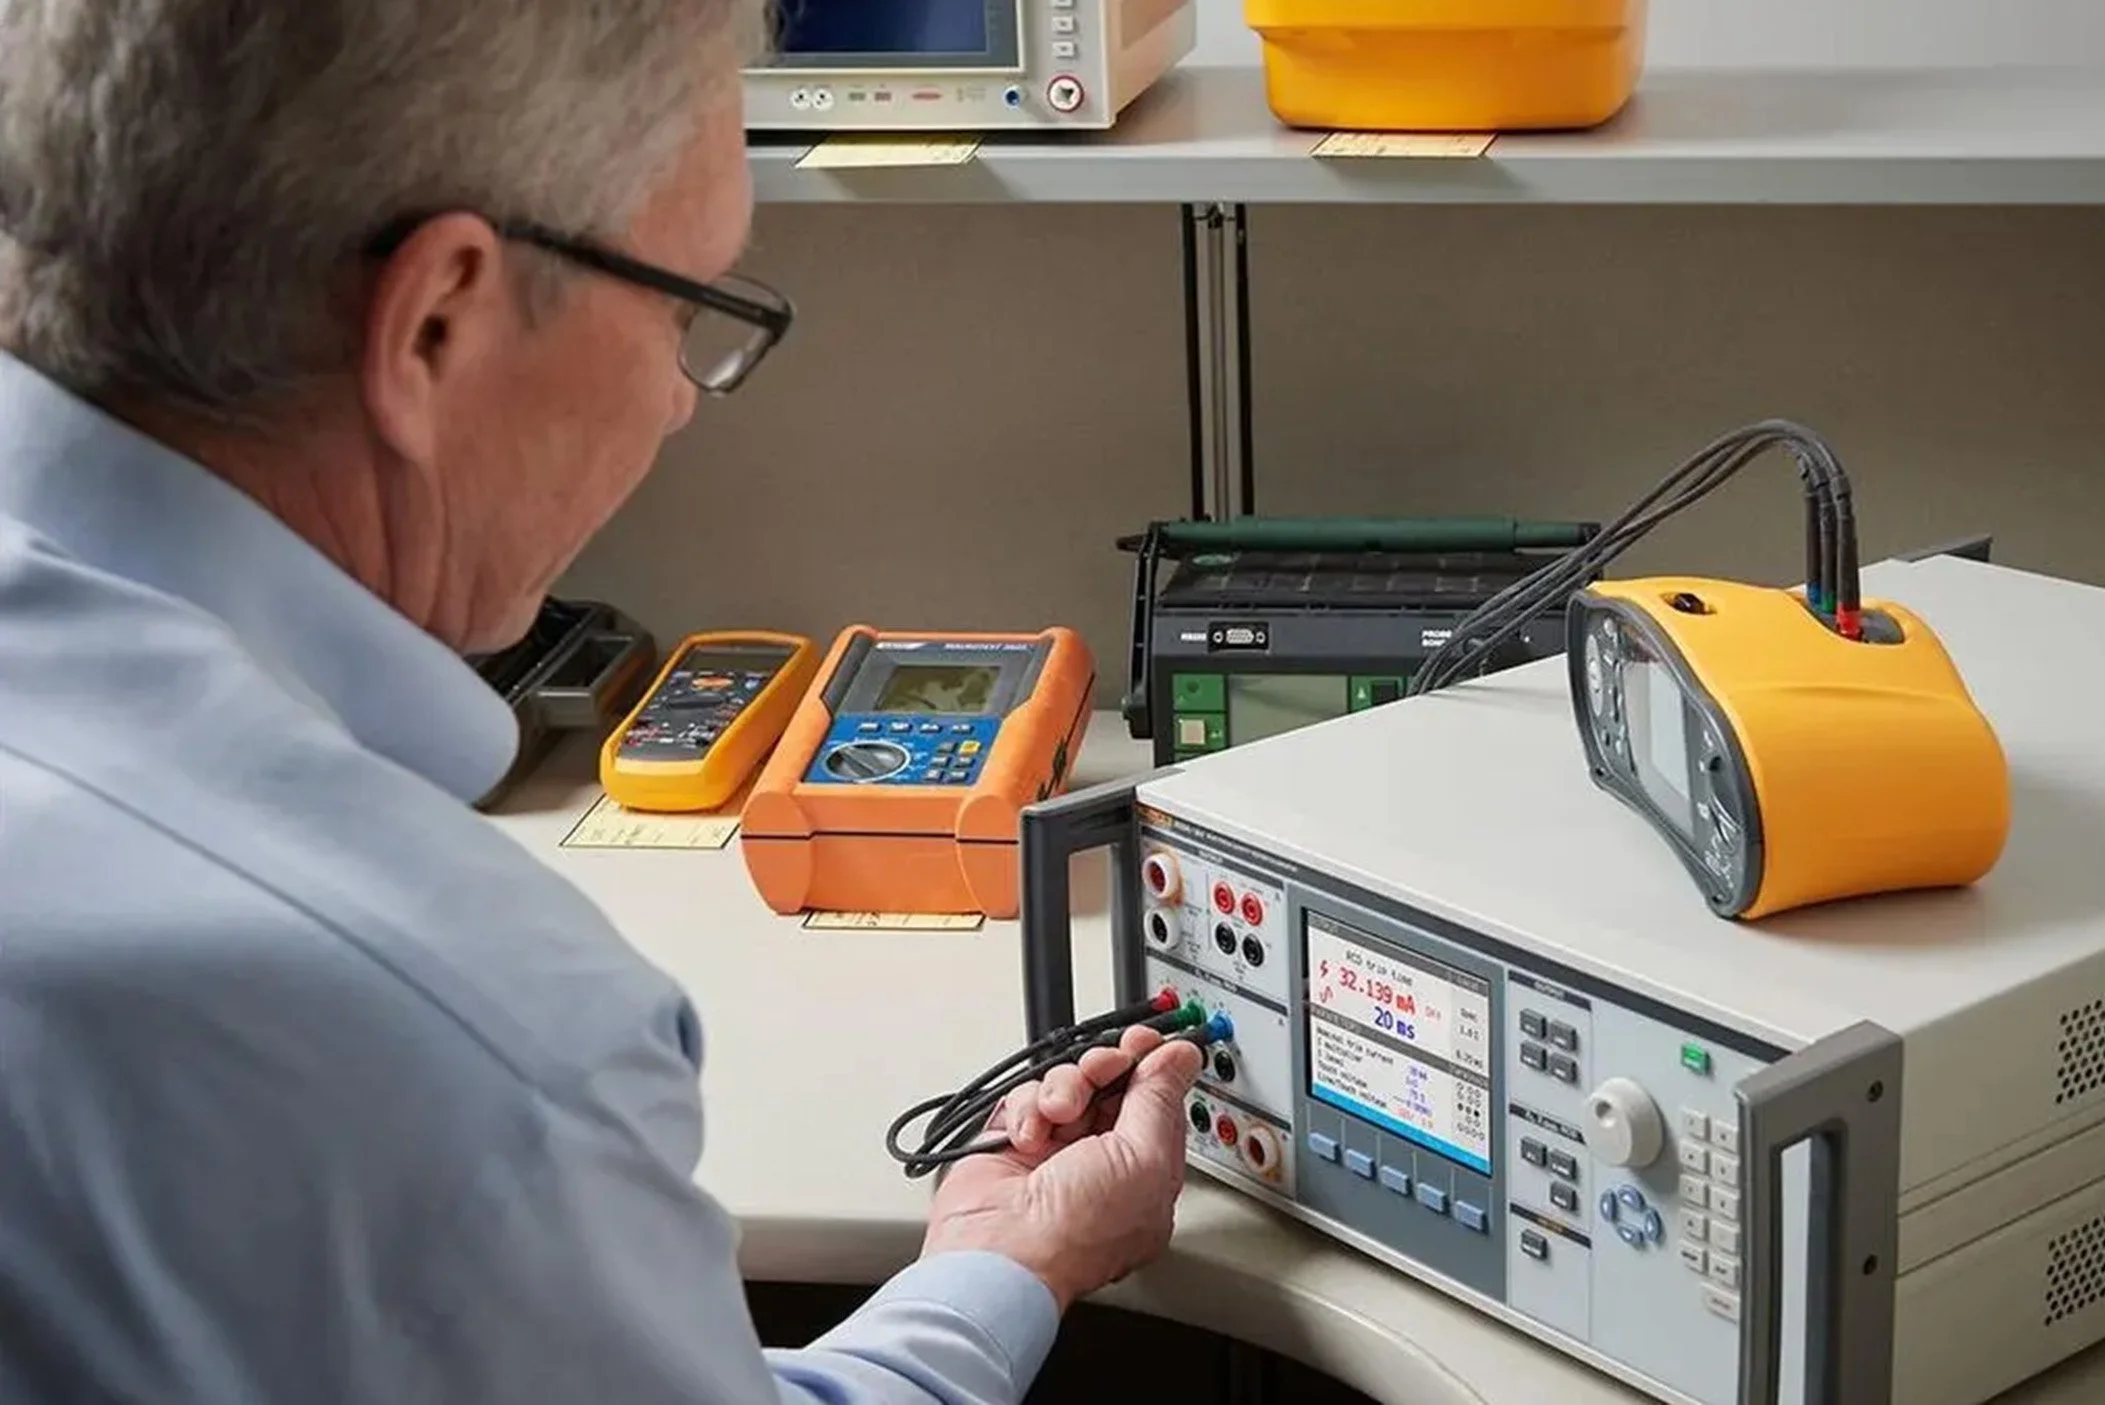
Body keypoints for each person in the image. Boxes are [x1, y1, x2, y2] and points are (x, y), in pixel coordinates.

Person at [0, 3, 1203, 1402]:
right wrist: (1005, 1283)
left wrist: (988, 1261)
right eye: (687, 310)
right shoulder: (460, 1032)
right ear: (437, 321)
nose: (684, 401)